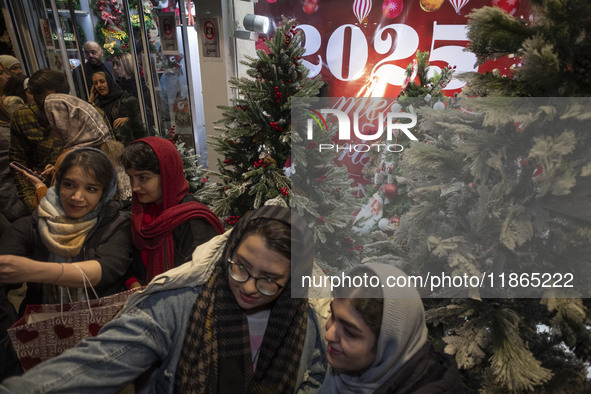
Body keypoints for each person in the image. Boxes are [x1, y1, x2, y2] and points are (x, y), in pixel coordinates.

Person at [0, 205, 328, 393]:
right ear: (229, 251)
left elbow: (314, 381)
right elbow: (96, 361)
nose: (248, 286)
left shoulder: (306, 323)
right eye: (240, 266)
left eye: (269, 280)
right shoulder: (177, 306)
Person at [0, 148, 134, 312]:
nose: (77, 197)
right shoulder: (32, 225)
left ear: (104, 193)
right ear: (58, 184)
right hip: (42, 325)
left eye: (91, 189)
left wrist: (33, 270)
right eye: (69, 185)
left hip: (107, 322)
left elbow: (106, 268)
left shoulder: (117, 224)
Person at [319, 263, 464, 394]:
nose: (329, 334)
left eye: (350, 333)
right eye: (332, 315)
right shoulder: (348, 371)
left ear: (388, 346)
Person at [119, 136, 224, 288]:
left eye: (143, 178)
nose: (134, 187)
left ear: (167, 175)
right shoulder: (141, 216)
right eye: (131, 178)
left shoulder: (193, 221)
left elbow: (202, 279)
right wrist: (134, 283)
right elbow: (132, 264)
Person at [9, 69, 68, 212]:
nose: (42, 103)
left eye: (46, 98)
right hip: (43, 194)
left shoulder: (84, 113)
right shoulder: (24, 116)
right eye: (35, 96)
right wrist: (33, 205)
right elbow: (18, 163)